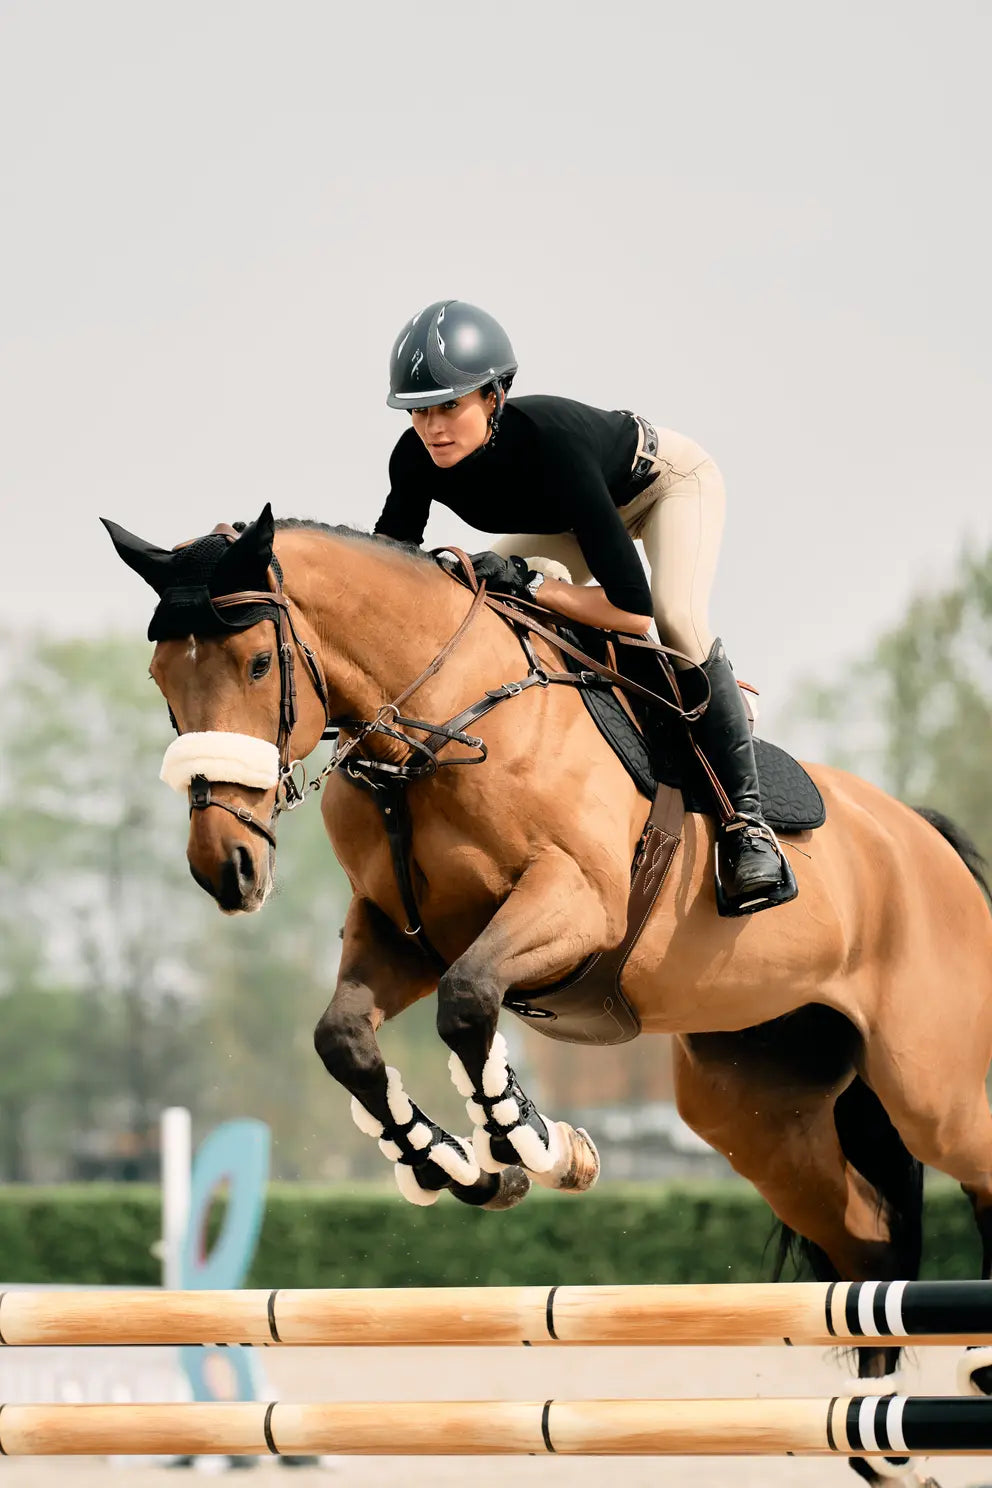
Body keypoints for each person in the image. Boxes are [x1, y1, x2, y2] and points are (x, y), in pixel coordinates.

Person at [373, 299, 795, 914]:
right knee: (480, 596)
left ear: (493, 396)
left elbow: (634, 612)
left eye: (449, 406)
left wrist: (534, 583)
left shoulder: (552, 445)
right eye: (419, 412)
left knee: (678, 619)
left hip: (662, 487)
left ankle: (746, 827)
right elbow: (390, 564)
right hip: (572, 518)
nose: (433, 428)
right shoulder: (414, 459)